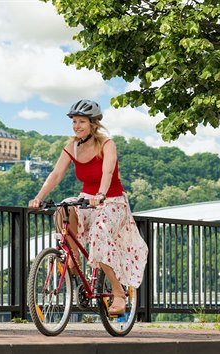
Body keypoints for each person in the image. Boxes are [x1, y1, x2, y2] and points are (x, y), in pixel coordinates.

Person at [28, 99, 148, 315]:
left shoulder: (106, 144)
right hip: (87, 200)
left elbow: (108, 172)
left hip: (111, 201)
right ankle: (72, 261)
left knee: (99, 233)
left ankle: (119, 295)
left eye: (81, 121)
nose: (76, 126)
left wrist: (101, 194)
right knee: (63, 208)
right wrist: (38, 197)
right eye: (74, 121)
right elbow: (55, 175)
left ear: (93, 123)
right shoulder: (71, 146)